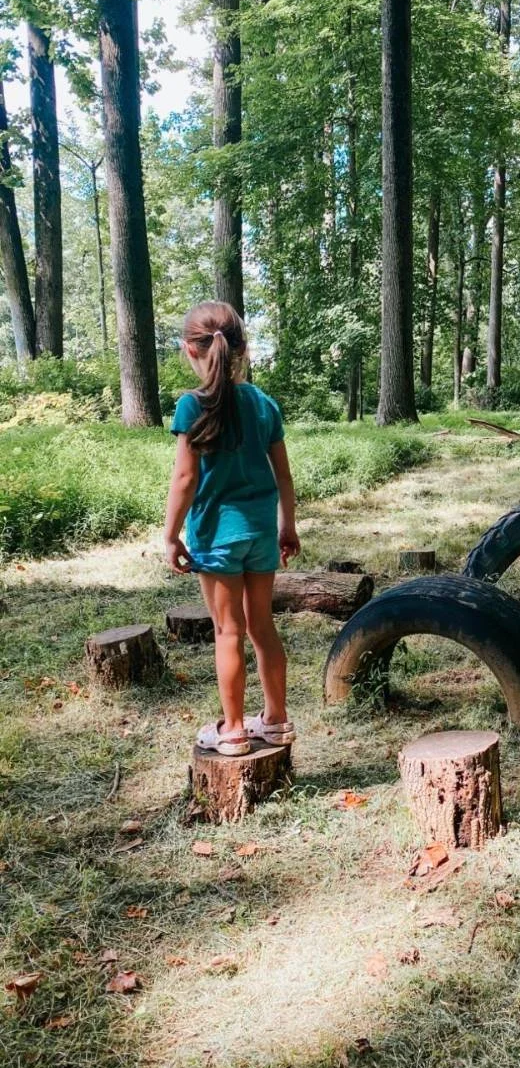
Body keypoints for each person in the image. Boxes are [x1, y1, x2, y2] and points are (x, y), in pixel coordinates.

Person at [163, 301, 300, 756]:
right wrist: (288, 527)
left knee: (228, 631)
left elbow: (185, 479)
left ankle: (235, 729)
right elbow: (283, 475)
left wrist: (170, 535)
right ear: (242, 347)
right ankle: (276, 721)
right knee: (262, 628)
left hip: (217, 537)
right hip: (261, 533)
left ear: (190, 350)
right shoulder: (263, 404)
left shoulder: (191, 406)